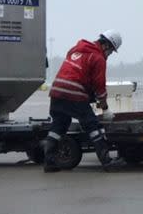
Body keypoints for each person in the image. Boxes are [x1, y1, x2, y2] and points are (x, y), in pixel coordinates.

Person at [43, 30, 124, 172]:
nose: (109, 55)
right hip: (74, 93)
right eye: (111, 51)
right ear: (106, 45)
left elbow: (78, 73)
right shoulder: (98, 58)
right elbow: (99, 86)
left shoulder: (75, 49)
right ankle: (107, 161)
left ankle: (49, 161)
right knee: (93, 127)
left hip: (56, 91)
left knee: (59, 125)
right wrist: (105, 109)